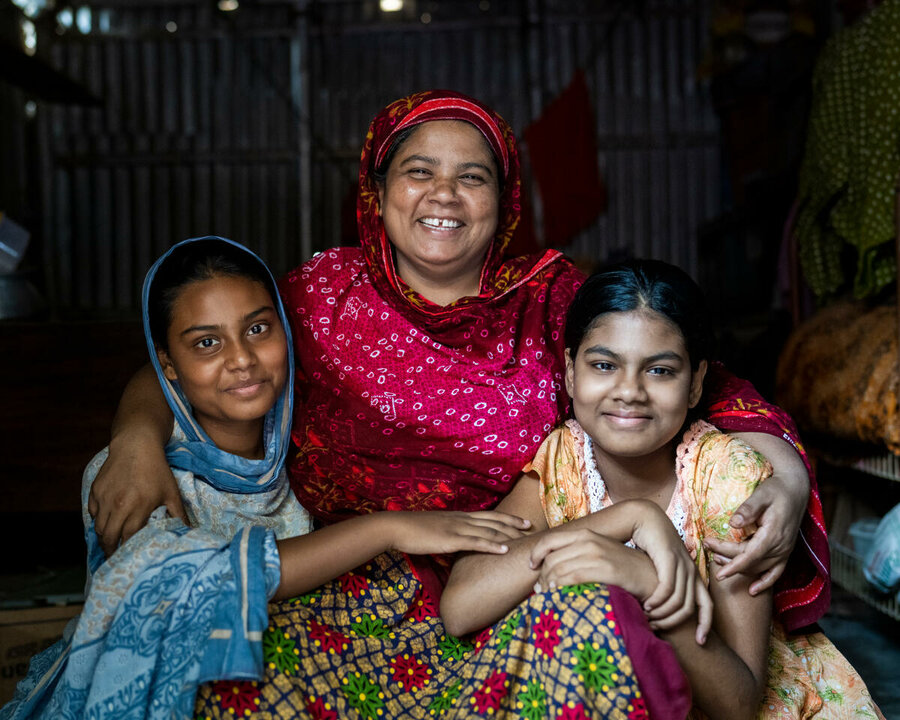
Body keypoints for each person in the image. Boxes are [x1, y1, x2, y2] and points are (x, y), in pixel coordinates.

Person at [89, 91, 828, 716]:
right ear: (377, 193)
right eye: (418, 172)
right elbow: (203, 357)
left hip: (518, 580)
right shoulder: (317, 299)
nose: (443, 194)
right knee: (214, 670)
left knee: (597, 643)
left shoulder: (554, 301)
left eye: (471, 177)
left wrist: (787, 480)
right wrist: (134, 437)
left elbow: (705, 387)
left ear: (504, 202)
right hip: (348, 586)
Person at [1, 236, 530, 720]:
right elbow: (200, 581)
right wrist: (387, 530)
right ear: (167, 363)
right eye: (207, 343)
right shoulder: (137, 474)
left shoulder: (308, 438)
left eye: (258, 329)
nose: (242, 360)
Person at [443, 259, 884, 719]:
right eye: (604, 365)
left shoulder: (728, 481)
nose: (629, 391)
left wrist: (651, 583)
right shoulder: (565, 459)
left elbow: (738, 704)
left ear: (695, 384)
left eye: (659, 371)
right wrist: (624, 522)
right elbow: (460, 607)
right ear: (571, 373)